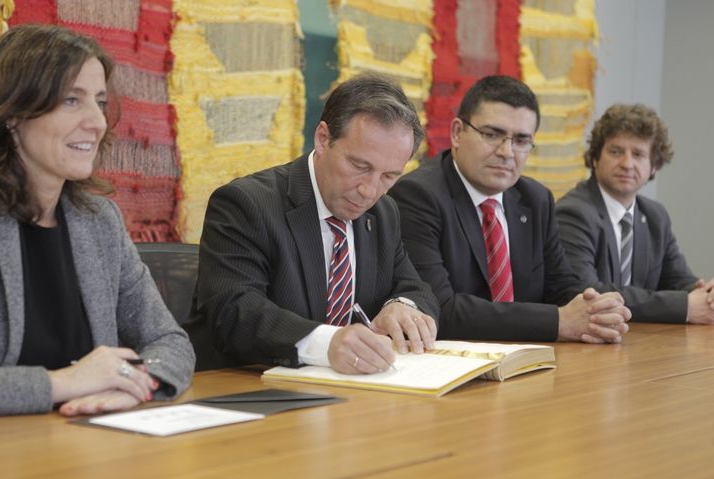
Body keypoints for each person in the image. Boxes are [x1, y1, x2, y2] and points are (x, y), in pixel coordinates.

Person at [0, 25, 195, 420]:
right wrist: (62, 383)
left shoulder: (100, 220)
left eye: (100, 102)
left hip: (85, 444)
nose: (97, 121)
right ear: (12, 115)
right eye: (71, 100)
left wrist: (135, 386)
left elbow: (170, 341)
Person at [185, 74, 439, 374]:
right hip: (249, 386)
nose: (370, 191)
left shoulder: (383, 213)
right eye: (360, 166)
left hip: (350, 390)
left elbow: (415, 287)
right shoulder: (247, 204)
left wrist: (403, 306)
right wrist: (327, 343)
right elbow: (234, 313)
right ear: (322, 139)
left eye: (389, 176)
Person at [388, 75, 630, 343]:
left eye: (521, 140)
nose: (507, 151)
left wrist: (595, 311)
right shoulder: (418, 196)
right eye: (492, 135)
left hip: (530, 357)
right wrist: (558, 321)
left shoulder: (536, 199)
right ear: (457, 133)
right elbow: (438, 307)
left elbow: (561, 286)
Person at [555, 104, 714, 324]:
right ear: (595, 158)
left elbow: (679, 280)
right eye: (616, 152)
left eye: (638, 154)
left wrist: (707, 295)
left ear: (654, 166)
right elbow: (586, 292)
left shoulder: (655, 216)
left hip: (640, 338)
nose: (627, 164)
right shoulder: (574, 212)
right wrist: (684, 307)